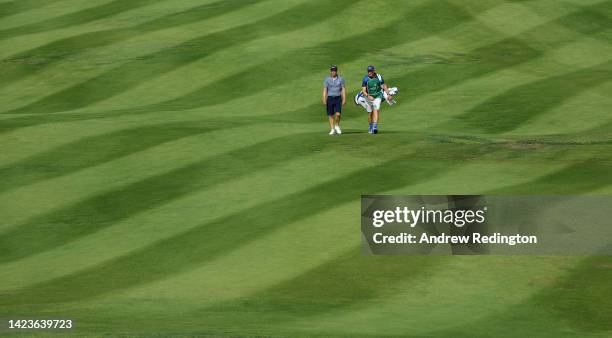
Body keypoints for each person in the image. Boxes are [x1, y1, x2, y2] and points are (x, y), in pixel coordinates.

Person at [361, 65, 392, 134]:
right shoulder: (365, 79)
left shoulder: (379, 77)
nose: (369, 72)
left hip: (378, 95)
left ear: (374, 71)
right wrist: (368, 96)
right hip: (368, 97)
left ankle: (375, 127)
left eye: (371, 71)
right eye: (368, 71)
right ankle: (371, 126)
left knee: (376, 109)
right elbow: (363, 90)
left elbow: (383, 86)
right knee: (370, 113)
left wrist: (388, 94)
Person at [323, 65, 346, 135]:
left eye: (335, 71)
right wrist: (324, 99)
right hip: (330, 98)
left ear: (336, 71)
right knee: (330, 115)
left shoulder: (341, 79)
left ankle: (337, 125)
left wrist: (344, 99)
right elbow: (325, 90)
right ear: (330, 71)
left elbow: (343, 90)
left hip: (338, 98)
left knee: (338, 114)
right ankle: (332, 129)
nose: (333, 72)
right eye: (332, 71)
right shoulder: (327, 79)